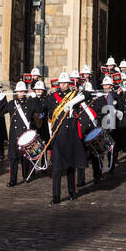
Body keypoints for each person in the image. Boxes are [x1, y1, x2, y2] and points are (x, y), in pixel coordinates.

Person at [48, 74, 87, 203]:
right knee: (57, 168)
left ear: (69, 84)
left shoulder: (74, 94)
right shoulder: (52, 97)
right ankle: (56, 196)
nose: (62, 85)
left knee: (71, 167)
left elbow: (87, 95)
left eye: (65, 83)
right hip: (58, 137)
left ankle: (71, 191)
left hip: (71, 135)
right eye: (61, 83)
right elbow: (44, 110)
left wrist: (73, 101)